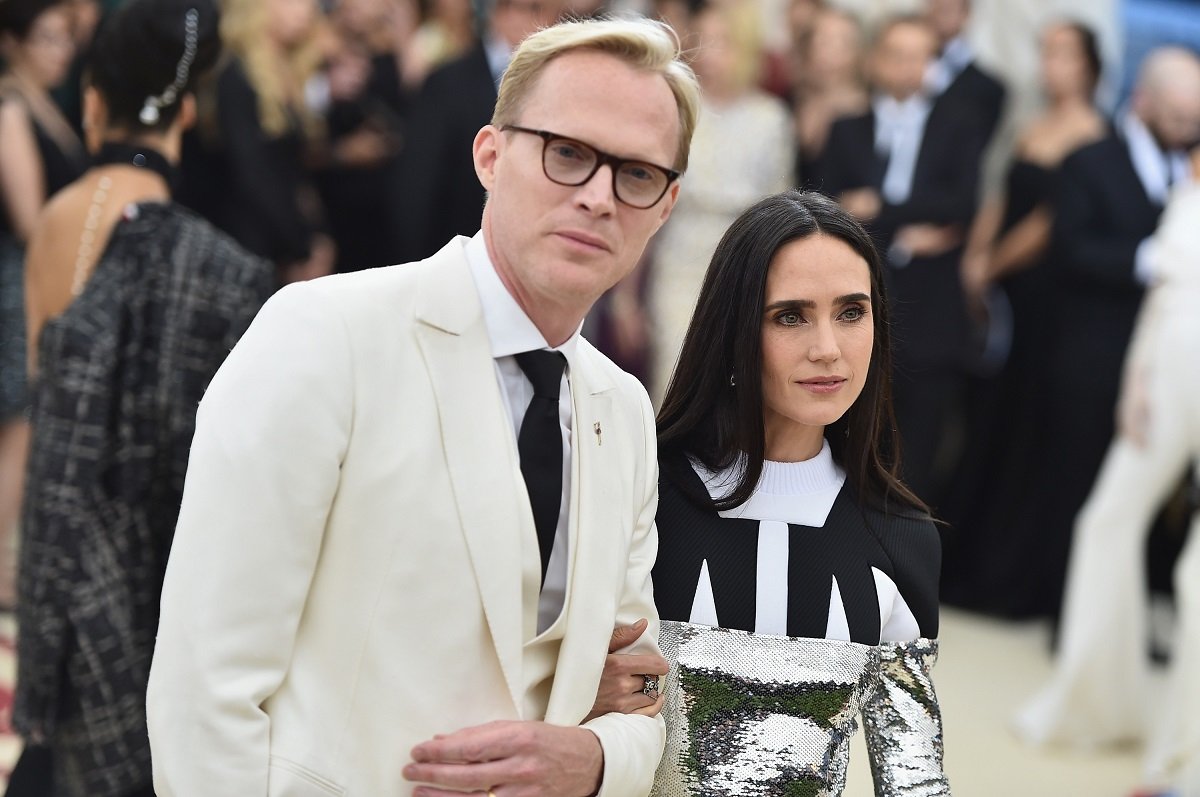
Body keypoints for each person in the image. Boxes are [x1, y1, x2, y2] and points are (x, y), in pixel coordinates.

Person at [146, 17, 701, 796]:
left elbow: (639, 689)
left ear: (667, 205)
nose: (599, 196)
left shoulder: (626, 410)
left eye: (636, 173)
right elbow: (205, 682)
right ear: (490, 155)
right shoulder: (324, 334)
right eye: (568, 153)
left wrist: (599, 759)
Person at [593, 190, 949, 795]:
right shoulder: (638, 492)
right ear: (733, 330)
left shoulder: (903, 538)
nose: (827, 349)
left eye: (851, 312)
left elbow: (915, 781)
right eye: (790, 315)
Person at [13, 1, 274, 794]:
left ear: (93, 102)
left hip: (67, 573)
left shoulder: (61, 222)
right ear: (186, 111)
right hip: (175, 584)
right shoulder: (224, 270)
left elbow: (53, 420)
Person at [1014, 144, 1200, 797]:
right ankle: (1098, 702)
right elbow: (1160, 295)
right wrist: (1135, 383)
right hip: (1165, 372)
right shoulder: (1189, 176)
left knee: (1195, 574)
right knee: (1104, 521)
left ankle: (1183, 758)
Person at [1020, 45, 1200, 622]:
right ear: (1143, 101)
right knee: (1076, 484)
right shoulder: (1090, 161)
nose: (1187, 130)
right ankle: (1062, 612)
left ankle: (1123, 615)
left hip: (1165, 364)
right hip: (1091, 354)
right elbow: (1070, 249)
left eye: (1195, 120)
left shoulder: (1190, 166)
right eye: (1177, 118)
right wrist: (1150, 258)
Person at [940, 20, 1106, 613]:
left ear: (1088, 64)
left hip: (1039, 298)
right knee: (984, 415)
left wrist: (993, 266)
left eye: (1062, 53)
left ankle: (1005, 575)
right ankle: (962, 561)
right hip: (998, 289)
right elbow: (1000, 197)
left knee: (1020, 424)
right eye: (1045, 52)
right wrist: (976, 258)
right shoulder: (1034, 123)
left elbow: (1048, 223)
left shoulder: (1091, 132)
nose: (1050, 63)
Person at [819, 14, 987, 505]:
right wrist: (910, 230)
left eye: (919, 56)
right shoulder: (847, 129)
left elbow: (962, 205)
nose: (906, 67)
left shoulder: (958, 125)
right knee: (849, 436)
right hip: (858, 297)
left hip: (933, 312)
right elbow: (827, 205)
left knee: (919, 449)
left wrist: (880, 209)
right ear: (874, 60)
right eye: (895, 54)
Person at [642, 0, 792, 403]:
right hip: (680, 249)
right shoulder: (679, 107)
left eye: (722, 42)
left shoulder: (770, 117)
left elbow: (781, 206)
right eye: (702, 40)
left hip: (742, 253)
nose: (710, 52)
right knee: (673, 368)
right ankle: (666, 464)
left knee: (734, 374)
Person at [0, 0, 85, 610]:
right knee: (20, 424)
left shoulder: (45, 102)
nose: (62, 50)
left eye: (66, 38)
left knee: (26, 423)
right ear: (15, 42)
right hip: (15, 282)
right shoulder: (10, 105)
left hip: (34, 278)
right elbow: (31, 220)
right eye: (48, 38)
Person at [391, 0, 562, 262]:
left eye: (554, 13)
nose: (547, 22)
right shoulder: (447, 83)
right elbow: (417, 188)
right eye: (534, 8)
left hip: (526, 262)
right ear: (501, 13)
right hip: (451, 259)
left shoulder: (557, 86)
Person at [179, 0, 334, 283]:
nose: (305, 10)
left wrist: (312, 237)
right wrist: (300, 247)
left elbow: (292, 174)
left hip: (282, 241)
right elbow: (252, 174)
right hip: (248, 248)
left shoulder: (288, 69)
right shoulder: (234, 74)